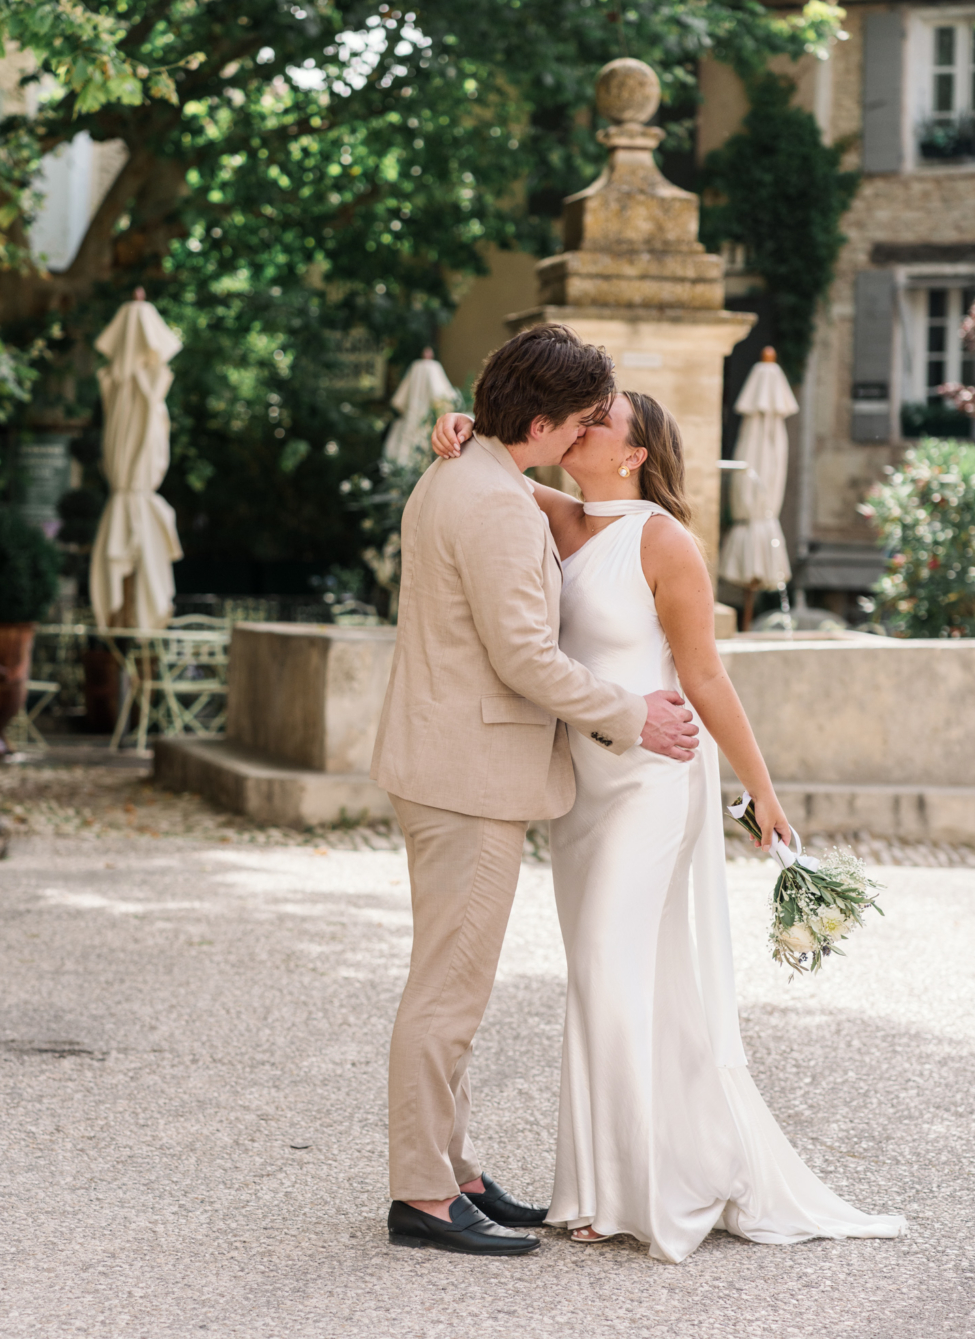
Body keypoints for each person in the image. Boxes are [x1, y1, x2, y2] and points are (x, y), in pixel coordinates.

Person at [430, 387, 907, 1262]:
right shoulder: (563, 516)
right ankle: (600, 1190)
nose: (579, 425)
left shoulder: (664, 541)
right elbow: (489, 456)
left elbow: (709, 678)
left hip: (657, 780)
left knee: (616, 968)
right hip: (584, 790)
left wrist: (764, 794)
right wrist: (458, 422)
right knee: (598, 978)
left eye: (598, 420)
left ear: (633, 454)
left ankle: (657, 1188)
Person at [371, 324, 702, 1258]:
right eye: (586, 417)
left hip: (448, 764)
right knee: (448, 993)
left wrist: (462, 425)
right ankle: (424, 1196)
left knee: (453, 981)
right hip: (465, 777)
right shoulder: (499, 505)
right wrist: (634, 715)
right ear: (548, 421)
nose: (593, 429)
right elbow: (525, 658)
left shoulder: (469, 471)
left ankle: (456, 1170)